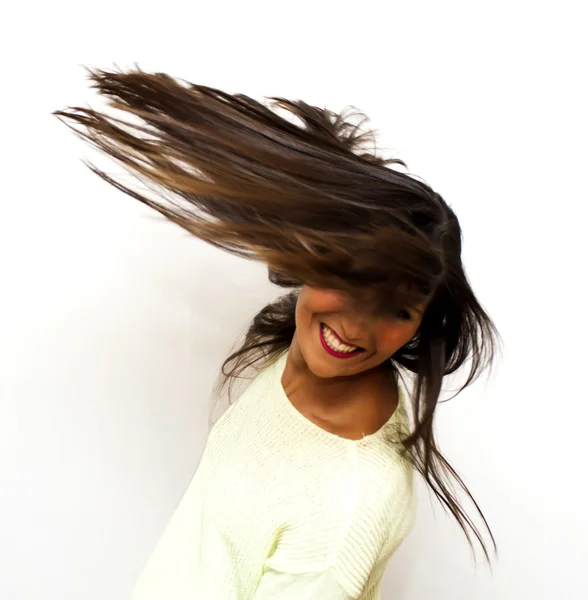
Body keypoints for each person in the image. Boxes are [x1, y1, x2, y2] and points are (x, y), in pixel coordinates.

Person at [55, 67, 501, 599]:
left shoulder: (343, 509)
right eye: (353, 283)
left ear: (422, 325)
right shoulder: (302, 352)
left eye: (398, 311)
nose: (356, 329)